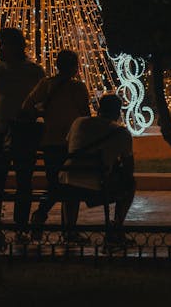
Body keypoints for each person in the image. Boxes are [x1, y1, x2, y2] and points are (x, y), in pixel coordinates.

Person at [0, 27, 46, 238]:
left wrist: (33, 115)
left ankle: (21, 225)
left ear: (16, 46)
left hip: (24, 131)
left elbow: (43, 100)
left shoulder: (34, 71)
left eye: (3, 43)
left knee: (24, 179)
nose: (0, 48)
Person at [21, 49, 91, 239]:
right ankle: (67, 228)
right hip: (73, 143)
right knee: (71, 185)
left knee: (55, 183)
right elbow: (85, 115)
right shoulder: (78, 88)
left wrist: (43, 114)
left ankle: (42, 215)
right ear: (75, 67)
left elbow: (27, 106)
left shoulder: (47, 84)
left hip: (50, 141)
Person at [58, 92, 135, 246]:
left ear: (99, 108)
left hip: (67, 181)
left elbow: (68, 148)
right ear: (118, 112)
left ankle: (70, 230)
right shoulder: (121, 133)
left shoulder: (78, 123)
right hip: (97, 185)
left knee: (73, 182)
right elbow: (129, 168)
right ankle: (116, 228)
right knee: (130, 184)